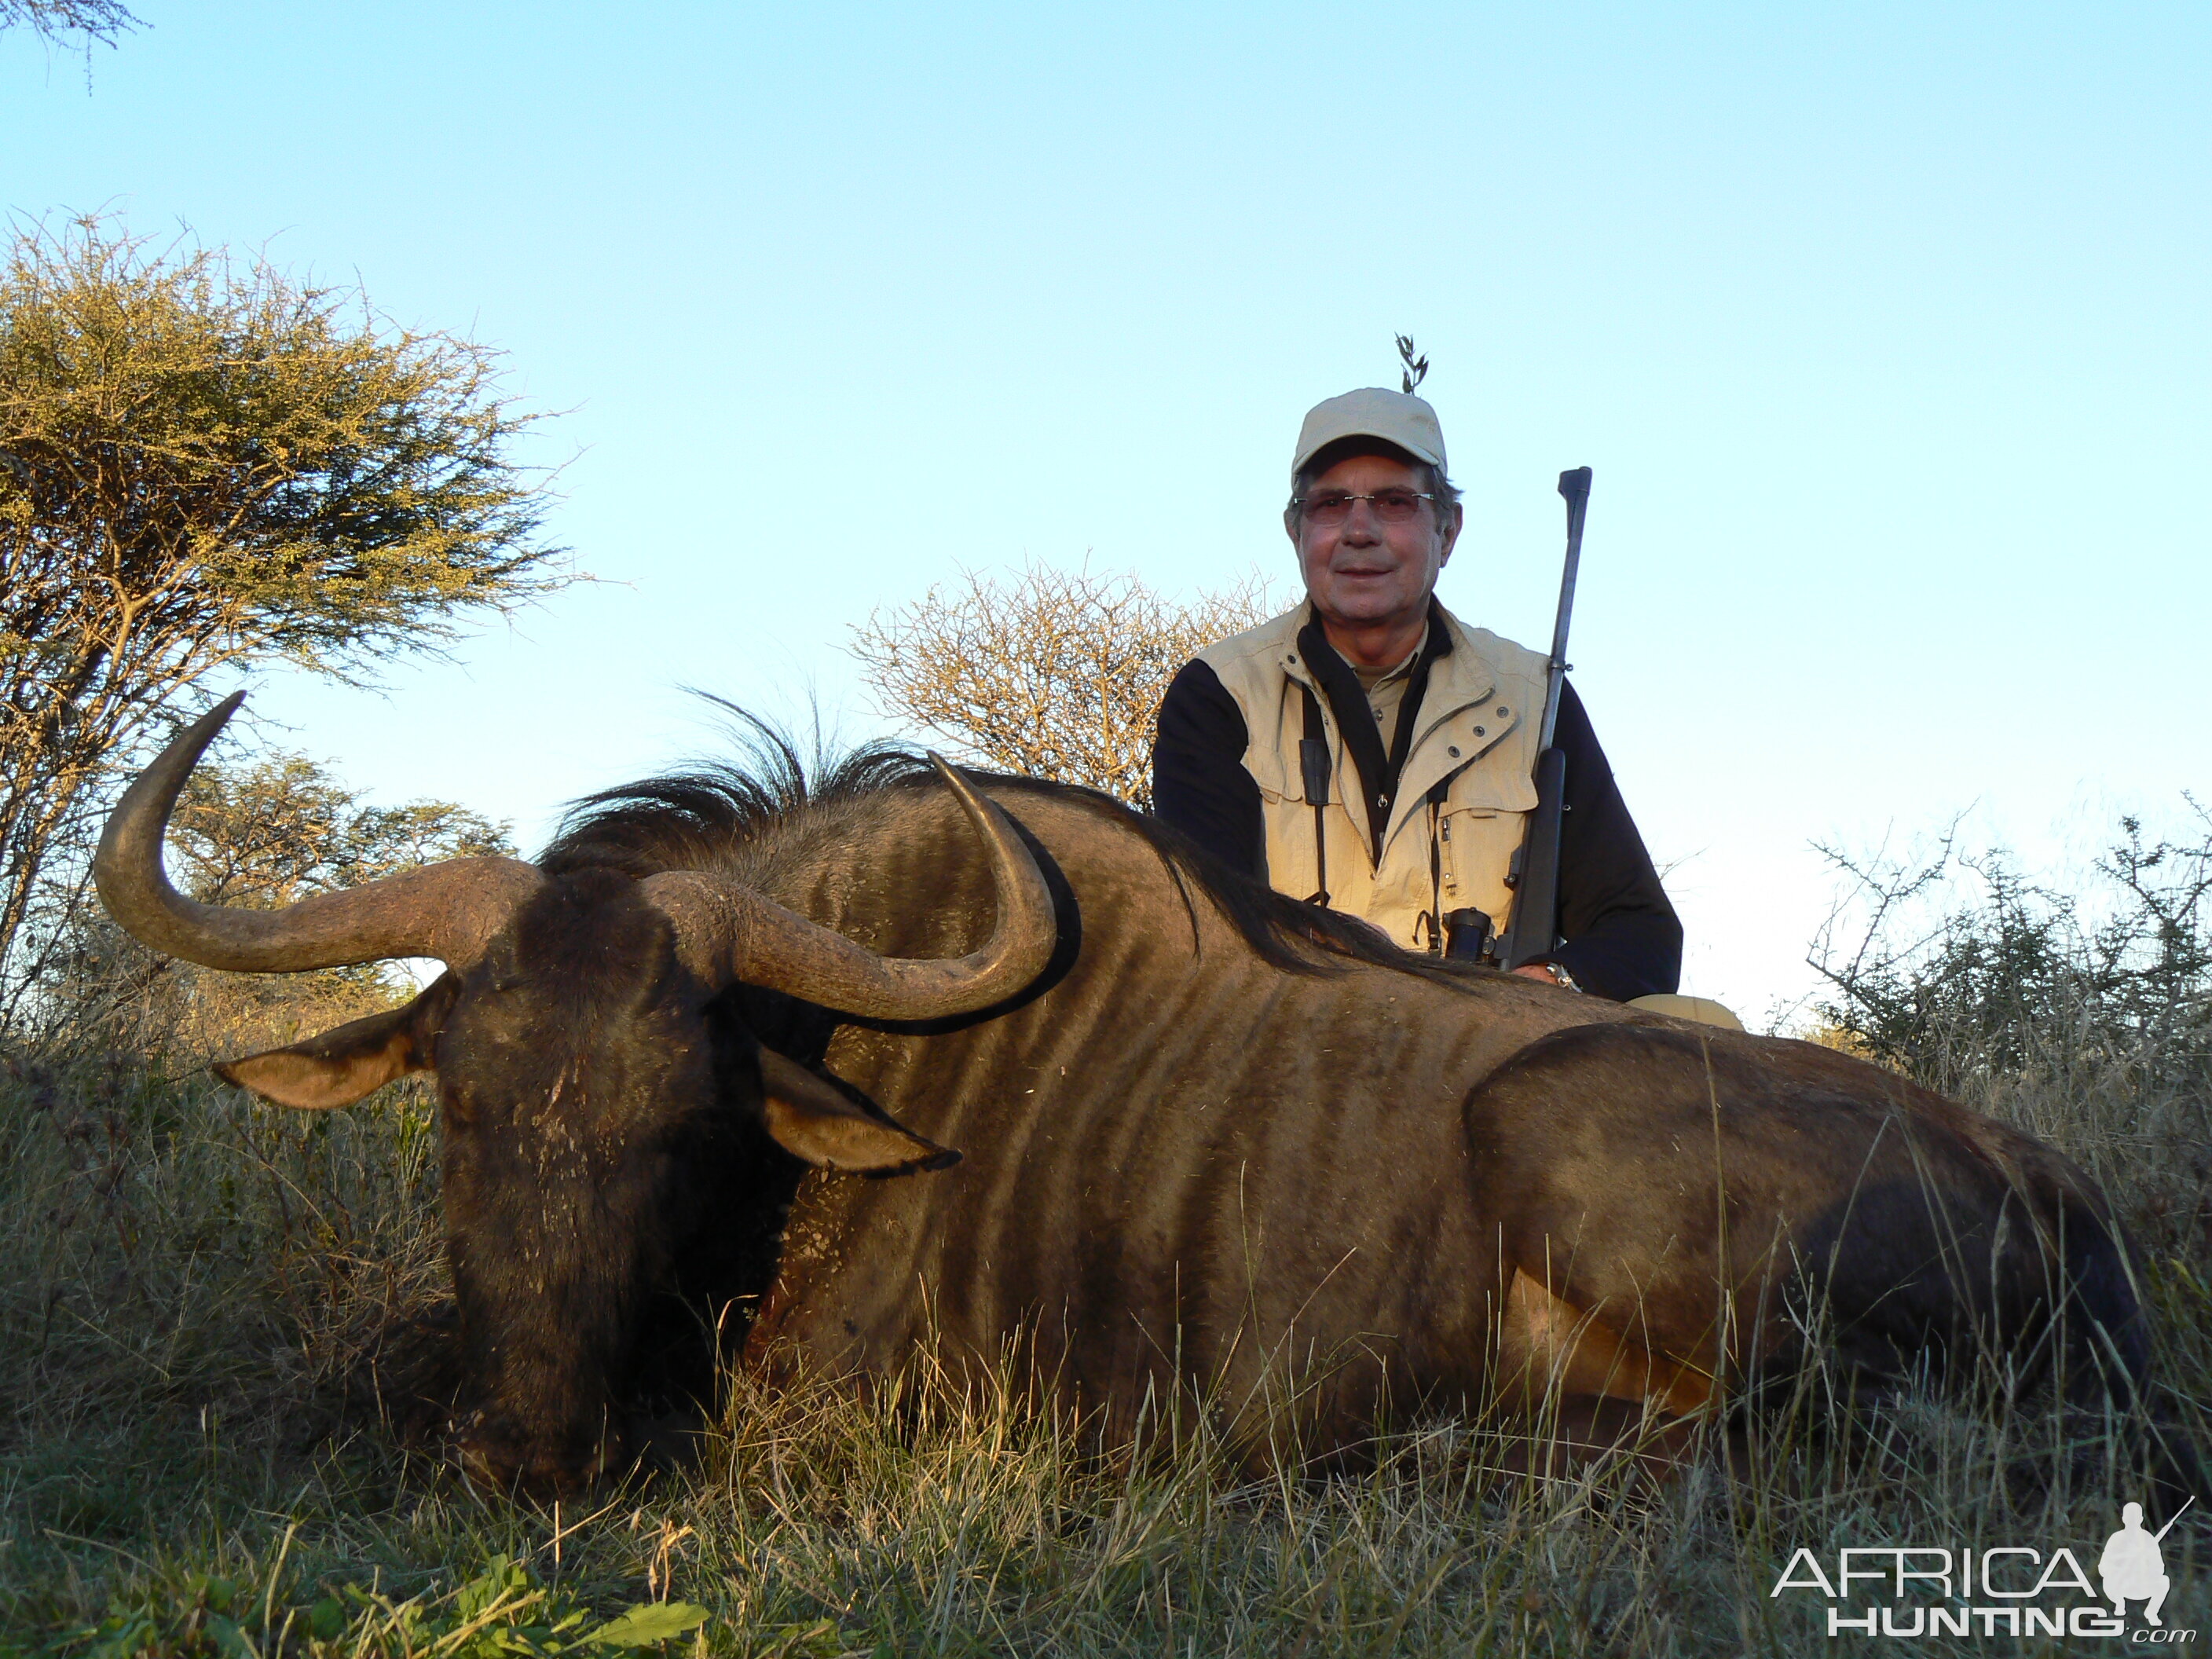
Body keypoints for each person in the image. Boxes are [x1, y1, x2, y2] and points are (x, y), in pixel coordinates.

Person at [1152, 386, 1704, 1012]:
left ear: (1447, 531)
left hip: (1490, 1055)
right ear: (1296, 531)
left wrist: (1550, 989)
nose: (1360, 532)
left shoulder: (1534, 696)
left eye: (1394, 503)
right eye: (1332, 504)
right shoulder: (1219, 692)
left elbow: (1641, 934)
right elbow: (1199, 933)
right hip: (1292, 1046)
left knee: (1699, 1022)